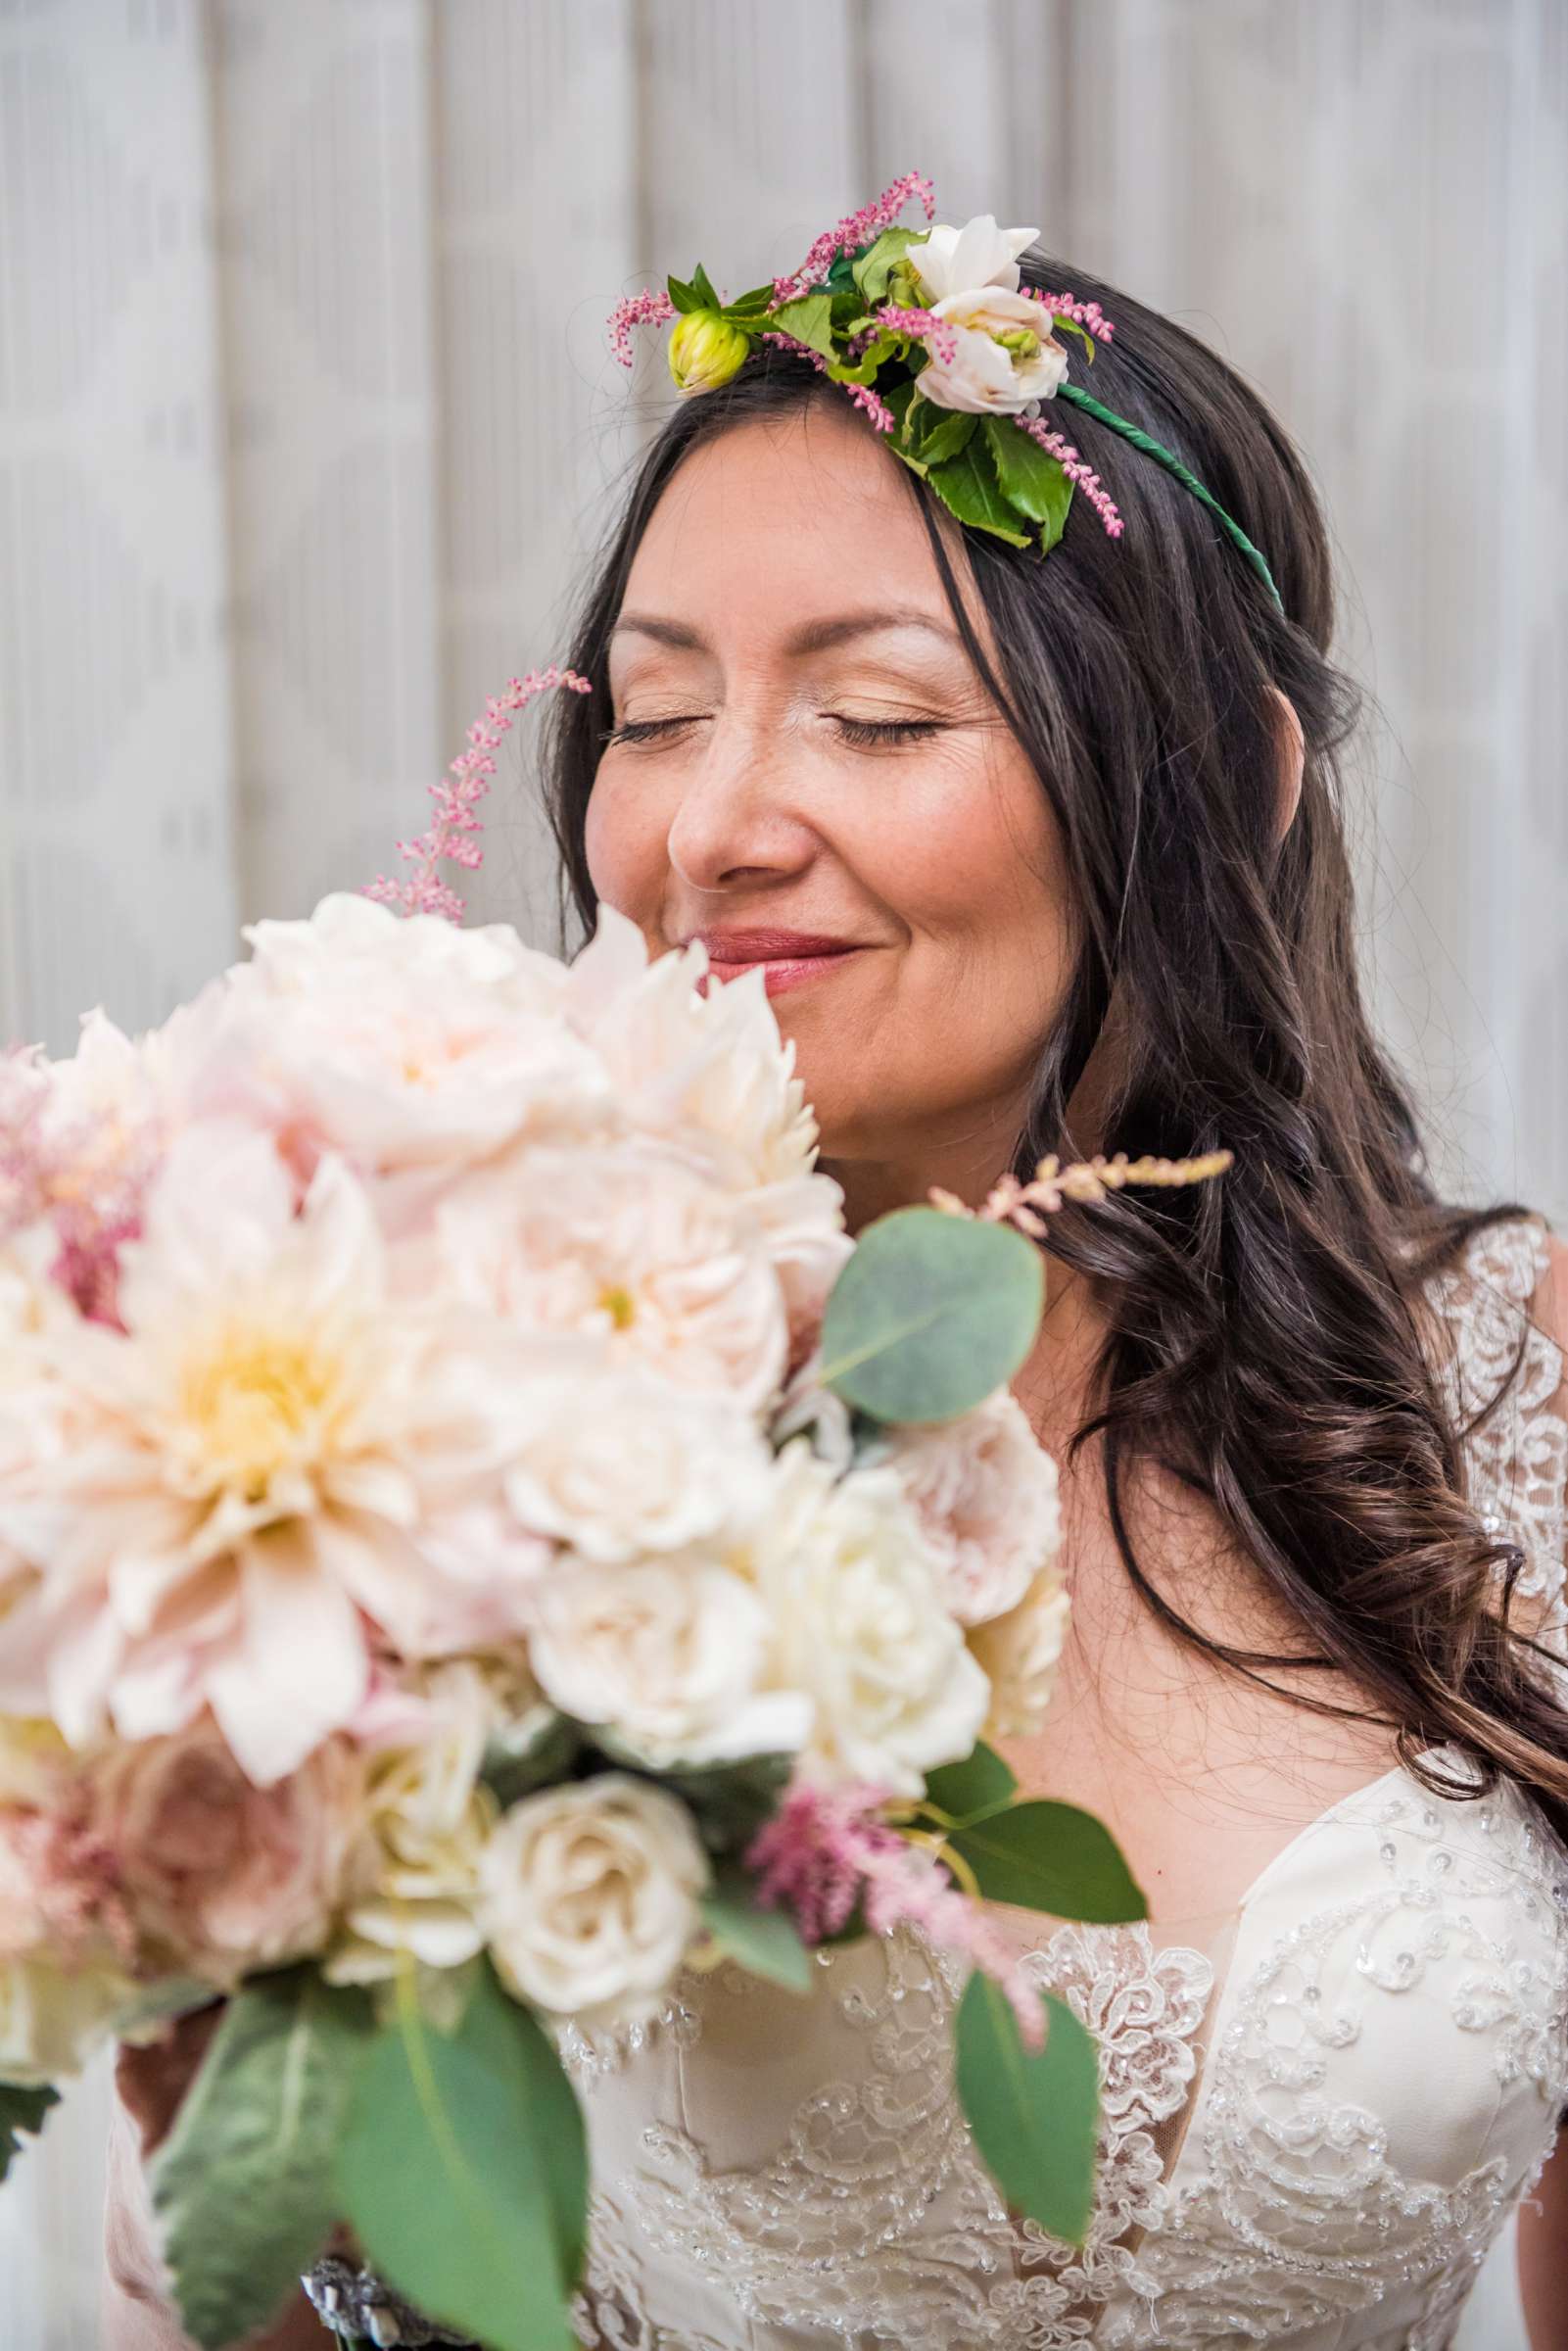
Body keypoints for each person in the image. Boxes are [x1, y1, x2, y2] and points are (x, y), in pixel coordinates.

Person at [105, 225, 1568, 2350]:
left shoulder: (1513, 1383)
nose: (711, 826)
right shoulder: (452, 1419)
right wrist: (242, 2164)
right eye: (658, 711)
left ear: (1226, 786)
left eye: (876, 715)